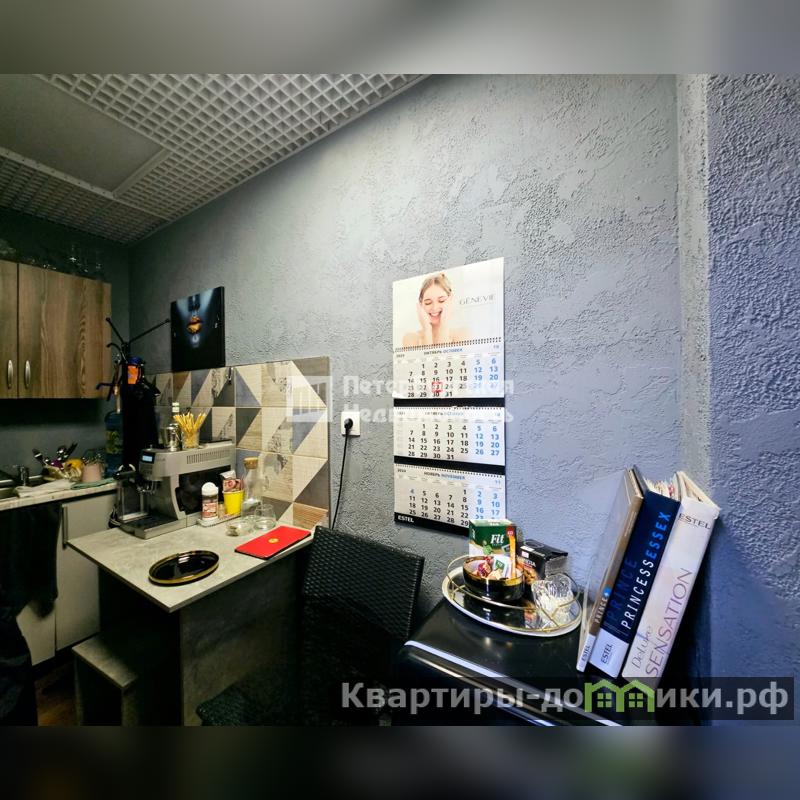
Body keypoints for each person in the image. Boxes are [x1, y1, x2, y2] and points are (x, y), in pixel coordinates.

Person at [402, 272, 469, 347]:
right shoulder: (411, 338)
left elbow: (443, 355)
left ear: (450, 299)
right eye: (428, 303)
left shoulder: (462, 334)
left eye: (441, 301)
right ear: (421, 304)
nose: (434, 307)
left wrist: (444, 326)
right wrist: (427, 330)